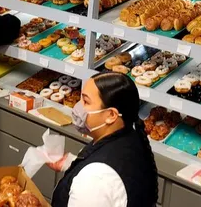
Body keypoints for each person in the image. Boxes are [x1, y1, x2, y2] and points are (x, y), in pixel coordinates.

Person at [51, 72, 158, 207]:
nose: (78, 106)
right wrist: (70, 164)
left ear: (111, 115)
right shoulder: (131, 136)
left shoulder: (94, 179)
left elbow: (100, 181)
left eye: (86, 101)